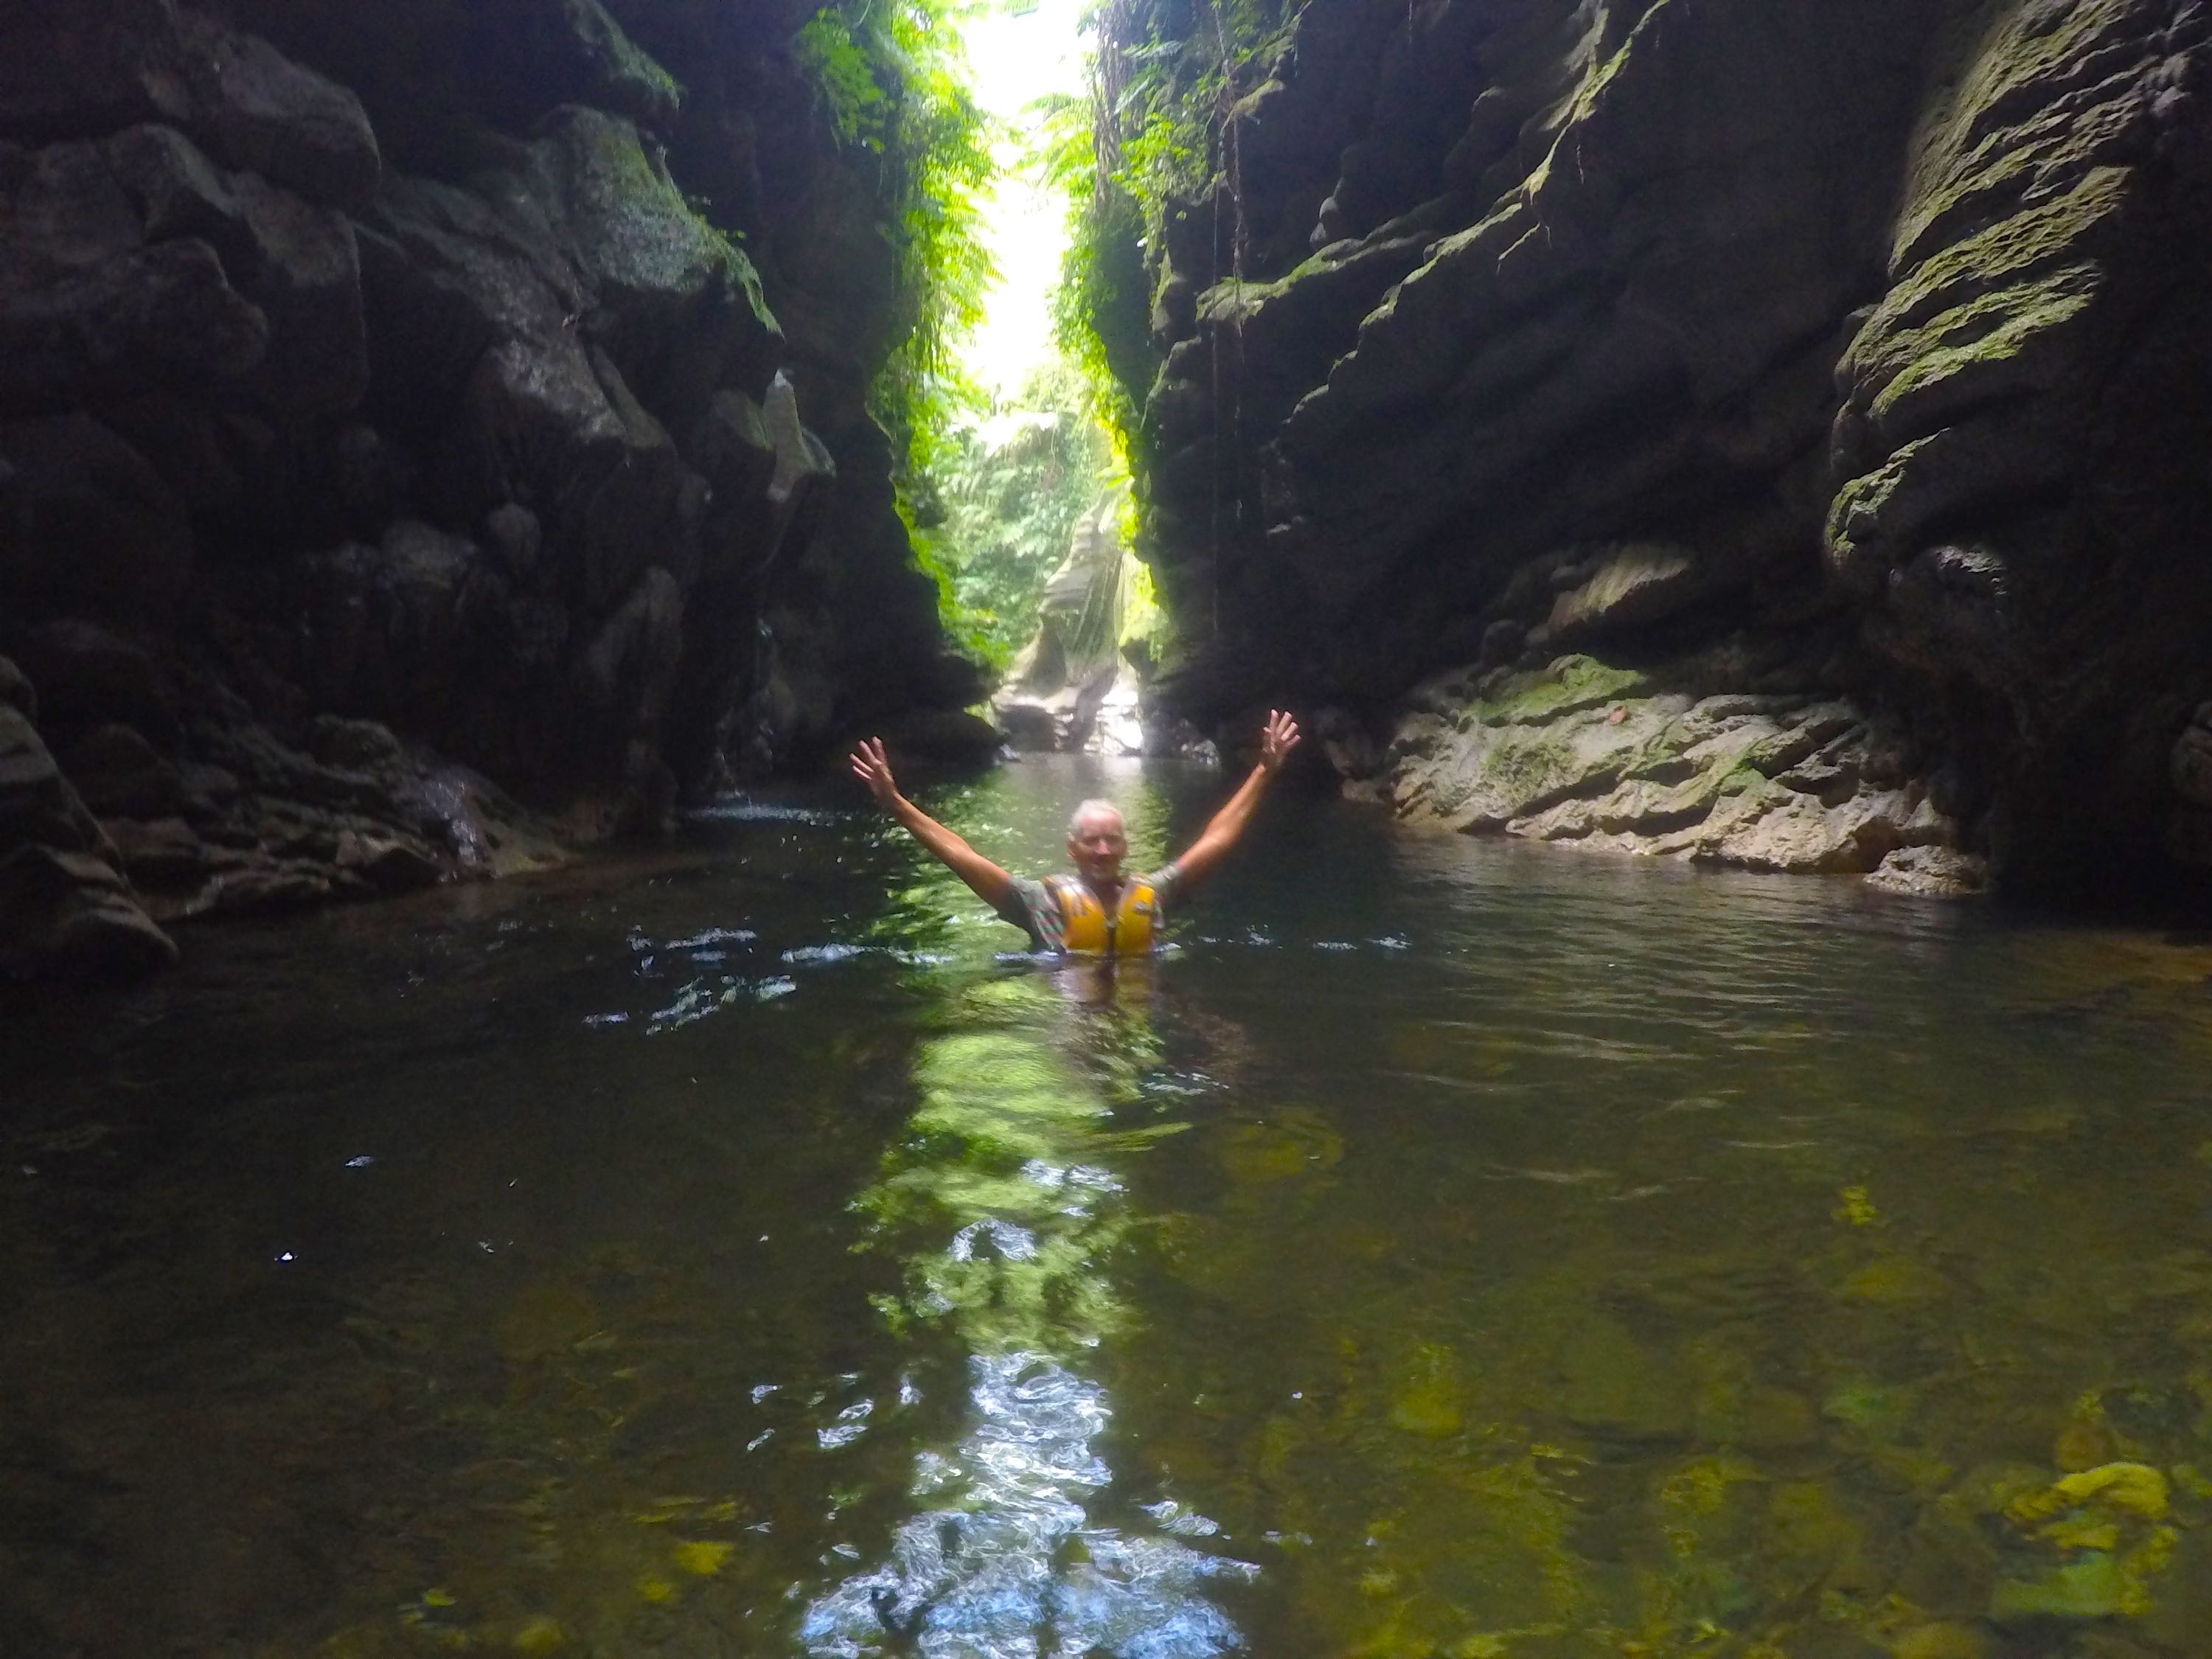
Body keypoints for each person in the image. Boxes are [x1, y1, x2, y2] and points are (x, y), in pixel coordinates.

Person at [849, 712, 1302, 956]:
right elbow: (961, 855)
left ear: (1125, 847)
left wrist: (1264, 771)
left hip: (1142, 1009)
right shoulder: (1038, 903)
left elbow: (1216, 841)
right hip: (1073, 1016)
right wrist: (896, 803)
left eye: (1112, 840)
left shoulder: (1155, 895)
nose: (1103, 851)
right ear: (1073, 849)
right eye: (1092, 841)